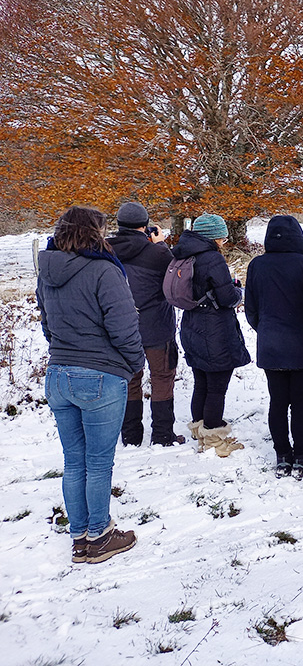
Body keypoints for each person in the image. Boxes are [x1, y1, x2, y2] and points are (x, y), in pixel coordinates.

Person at [37, 206, 144, 564]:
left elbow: (46, 321)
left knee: (74, 461)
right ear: (94, 232)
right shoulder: (103, 270)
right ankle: (99, 536)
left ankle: (80, 537)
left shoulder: (47, 270)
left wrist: (61, 350)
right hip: (98, 374)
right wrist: (134, 363)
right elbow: (124, 325)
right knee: (98, 463)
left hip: (59, 374)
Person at [245, 216, 303, 479]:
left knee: (277, 402)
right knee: (301, 403)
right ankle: (302, 456)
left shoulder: (257, 265)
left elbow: (251, 309)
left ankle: (282, 456)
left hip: (271, 344)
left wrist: (265, 329)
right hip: (302, 344)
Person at [172, 213, 250, 457]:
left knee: (201, 381)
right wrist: (238, 293)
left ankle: (199, 430)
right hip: (214, 329)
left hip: (192, 324)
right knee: (217, 386)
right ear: (214, 237)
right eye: (223, 238)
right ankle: (214, 440)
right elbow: (227, 298)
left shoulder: (184, 253)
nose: (223, 242)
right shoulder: (212, 258)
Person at [108, 201, 184, 447]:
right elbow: (176, 277)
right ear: (145, 225)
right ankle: (163, 435)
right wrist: (161, 244)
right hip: (157, 325)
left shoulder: (105, 249)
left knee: (130, 379)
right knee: (162, 377)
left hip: (121, 326)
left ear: (119, 224)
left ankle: (131, 436)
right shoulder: (157, 252)